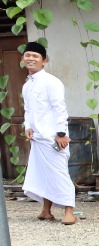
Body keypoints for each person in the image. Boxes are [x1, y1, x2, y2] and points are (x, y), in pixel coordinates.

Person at [20, 42, 76, 225]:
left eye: (35, 56)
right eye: (28, 55)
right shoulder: (27, 86)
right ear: (23, 59)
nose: (31, 58)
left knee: (59, 173)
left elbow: (60, 108)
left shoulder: (52, 82)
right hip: (37, 138)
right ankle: (46, 210)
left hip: (54, 138)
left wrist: (60, 133)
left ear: (44, 61)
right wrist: (28, 126)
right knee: (43, 174)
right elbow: (28, 109)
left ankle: (69, 212)